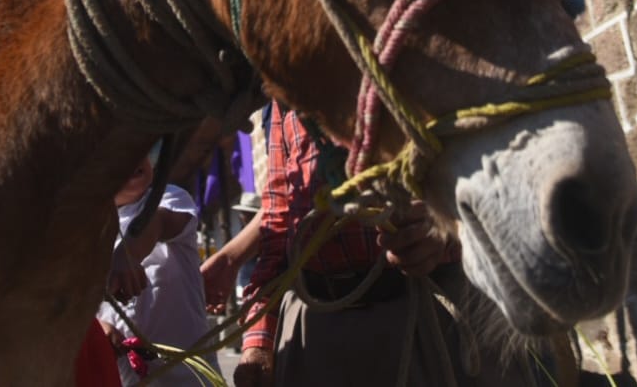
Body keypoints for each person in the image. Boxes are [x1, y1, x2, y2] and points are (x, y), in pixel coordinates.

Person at [235, 102, 472, 387]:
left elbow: (474, 170)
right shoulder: (284, 95)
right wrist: (258, 340)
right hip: (314, 333)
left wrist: (443, 230)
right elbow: (277, 223)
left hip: (420, 318)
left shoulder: (413, 62)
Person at [98, 155, 221, 387]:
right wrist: (98, 329)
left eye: (141, 148)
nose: (133, 155)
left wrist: (128, 255)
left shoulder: (168, 197)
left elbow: (159, 223)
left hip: (191, 380)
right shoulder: (84, 233)